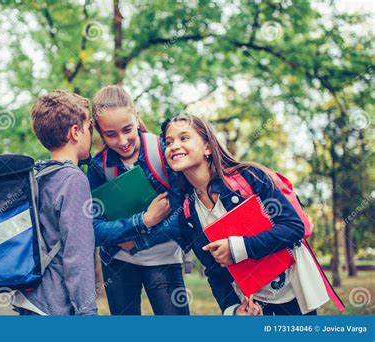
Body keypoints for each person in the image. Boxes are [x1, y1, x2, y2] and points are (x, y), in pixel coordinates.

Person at [162, 114, 329, 315]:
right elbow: (214, 271)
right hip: (254, 304)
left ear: (207, 147)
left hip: (294, 293)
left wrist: (237, 248)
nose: (173, 146)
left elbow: (293, 228)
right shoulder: (188, 213)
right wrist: (232, 309)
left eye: (184, 138)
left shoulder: (250, 176)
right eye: (168, 142)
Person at [87, 85, 189, 315]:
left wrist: (138, 242)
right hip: (117, 263)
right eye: (111, 134)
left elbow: (182, 213)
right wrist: (143, 221)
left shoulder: (165, 151)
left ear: (137, 117)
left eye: (127, 129)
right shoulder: (97, 167)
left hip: (164, 259)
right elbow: (93, 229)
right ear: (100, 133)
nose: (122, 141)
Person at [12, 89, 97, 315]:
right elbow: (77, 256)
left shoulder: (36, 175)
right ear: (76, 132)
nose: (92, 134)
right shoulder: (74, 179)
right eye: (89, 127)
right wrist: (87, 312)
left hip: (29, 299)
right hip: (54, 305)